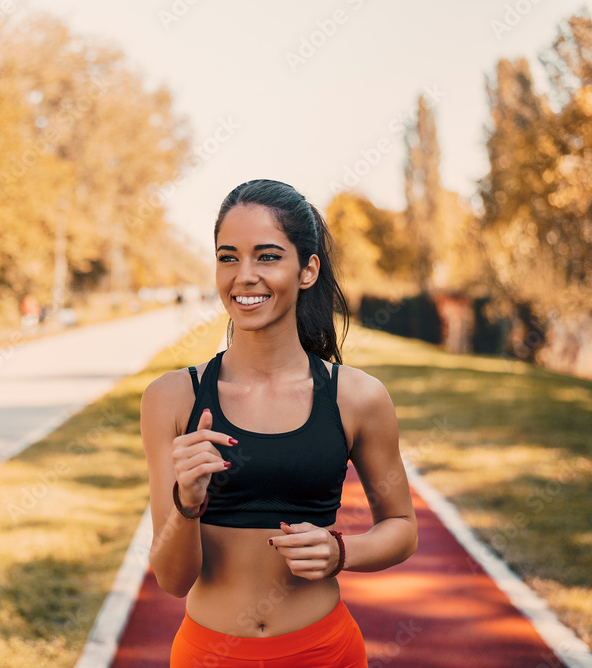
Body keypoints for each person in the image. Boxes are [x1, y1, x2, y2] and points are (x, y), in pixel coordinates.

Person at [140, 179, 418, 667]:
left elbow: (401, 527)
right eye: (228, 257)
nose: (244, 275)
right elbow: (172, 579)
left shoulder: (358, 397)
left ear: (307, 269)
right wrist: (187, 501)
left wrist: (341, 552)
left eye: (267, 256)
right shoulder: (172, 398)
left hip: (324, 651)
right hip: (208, 654)